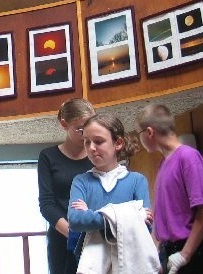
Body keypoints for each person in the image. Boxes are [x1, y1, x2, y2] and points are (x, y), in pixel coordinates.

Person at [68, 113, 159, 273]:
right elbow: (76, 220)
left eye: (98, 141)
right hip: (91, 264)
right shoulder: (81, 181)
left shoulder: (137, 181)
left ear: (118, 143)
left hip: (131, 261)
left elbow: (146, 226)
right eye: (86, 142)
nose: (91, 148)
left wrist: (92, 215)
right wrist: (131, 214)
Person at [136, 104, 203, 274]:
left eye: (139, 134)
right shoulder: (164, 163)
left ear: (149, 132)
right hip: (170, 251)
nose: (139, 140)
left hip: (192, 252)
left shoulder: (187, 157)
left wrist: (184, 255)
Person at [38, 98, 95, 274]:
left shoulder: (97, 155)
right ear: (64, 124)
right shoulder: (48, 156)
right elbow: (47, 205)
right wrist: (73, 235)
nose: (86, 134)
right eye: (80, 128)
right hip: (61, 240)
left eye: (91, 126)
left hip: (95, 237)